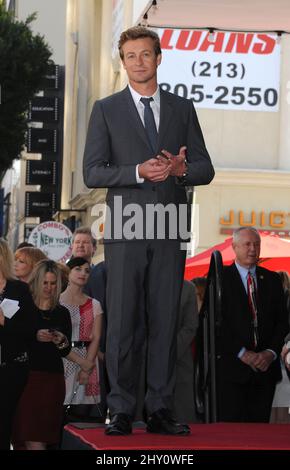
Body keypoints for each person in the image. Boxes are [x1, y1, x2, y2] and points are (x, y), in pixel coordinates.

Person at [83, 26, 214, 435]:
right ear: (123, 63)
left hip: (171, 225)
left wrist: (182, 169)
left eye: (145, 54)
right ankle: (119, 409)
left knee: (163, 320)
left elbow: (205, 168)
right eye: (131, 56)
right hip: (126, 226)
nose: (139, 62)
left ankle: (159, 409)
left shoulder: (182, 108)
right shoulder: (106, 109)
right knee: (122, 321)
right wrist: (137, 171)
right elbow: (92, 172)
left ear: (159, 58)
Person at [218, 227, 288, 422]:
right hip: (233, 371)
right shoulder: (220, 279)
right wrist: (242, 353)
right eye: (247, 244)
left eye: (256, 244)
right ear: (234, 247)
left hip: (265, 373)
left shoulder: (273, 280)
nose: (252, 249)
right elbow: (217, 324)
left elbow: (282, 322)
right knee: (232, 433)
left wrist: (270, 353)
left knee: (259, 434)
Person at [12, 260, 73, 450]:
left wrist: (61, 339)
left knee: (41, 436)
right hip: (25, 379)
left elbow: (65, 349)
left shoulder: (62, 313)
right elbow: (10, 340)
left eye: (53, 283)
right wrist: (34, 335)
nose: (48, 287)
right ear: (36, 282)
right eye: (45, 282)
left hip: (52, 380)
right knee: (28, 436)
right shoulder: (22, 309)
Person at [0, 239, 37, 450]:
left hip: (11, 369)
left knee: (4, 423)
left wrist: (5, 321)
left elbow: (30, 329)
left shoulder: (19, 290)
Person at [60, 257, 103, 418]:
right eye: (78, 269)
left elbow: (96, 337)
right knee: (57, 409)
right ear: (68, 272)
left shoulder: (95, 304)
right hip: (62, 359)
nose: (83, 273)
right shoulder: (57, 301)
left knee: (81, 414)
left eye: (87, 270)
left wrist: (87, 366)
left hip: (88, 360)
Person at [173, 280, 199, 423]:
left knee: (182, 419)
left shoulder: (187, 288)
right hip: (148, 361)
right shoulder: (143, 283)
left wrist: (169, 352)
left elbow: (190, 326)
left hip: (180, 359)